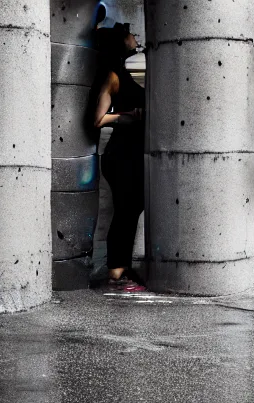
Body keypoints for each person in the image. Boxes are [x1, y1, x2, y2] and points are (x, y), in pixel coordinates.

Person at [89, 22, 146, 292]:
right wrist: (129, 117)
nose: (135, 36)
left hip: (130, 154)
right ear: (121, 41)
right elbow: (97, 119)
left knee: (132, 209)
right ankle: (115, 273)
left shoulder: (122, 72)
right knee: (125, 211)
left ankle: (121, 267)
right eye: (130, 33)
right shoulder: (112, 75)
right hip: (120, 155)